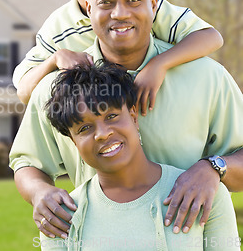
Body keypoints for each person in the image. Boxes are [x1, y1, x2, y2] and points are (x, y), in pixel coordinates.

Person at [9, 0, 243, 240]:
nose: (120, 13)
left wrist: (213, 169)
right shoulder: (57, 89)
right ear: (88, 7)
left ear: (153, 4)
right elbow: (27, 162)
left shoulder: (207, 77)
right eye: (106, 3)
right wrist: (39, 192)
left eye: (133, 0)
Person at [14, 0, 223, 117]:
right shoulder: (57, 28)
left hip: (161, 108)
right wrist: (55, 59)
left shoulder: (143, 6)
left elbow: (211, 37)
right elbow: (24, 92)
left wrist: (158, 65)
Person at [36, 63, 240, 250]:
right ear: (74, 143)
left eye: (111, 116)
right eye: (85, 128)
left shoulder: (203, 193)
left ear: (133, 118)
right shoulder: (60, 216)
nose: (102, 134)